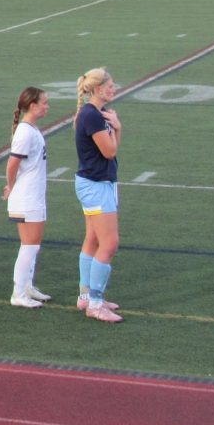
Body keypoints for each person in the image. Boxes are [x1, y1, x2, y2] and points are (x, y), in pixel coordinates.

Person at [75, 68, 124, 323]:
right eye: (110, 85)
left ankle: (86, 296)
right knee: (109, 243)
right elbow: (109, 152)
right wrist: (117, 128)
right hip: (96, 185)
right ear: (97, 89)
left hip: (94, 183)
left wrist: (115, 128)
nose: (113, 88)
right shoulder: (93, 116)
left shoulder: (93, 113)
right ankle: (94, 302)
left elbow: (110, 150)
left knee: (93, 239)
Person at [3, 87, 51, 308]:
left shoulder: (30, 129)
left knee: (32, 244)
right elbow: (12, 164)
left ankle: (27, 286)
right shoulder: (25, 132)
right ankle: (18, 293)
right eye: (44, 102)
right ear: (32, 106)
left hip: (32, 195)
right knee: (29, 245)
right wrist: (11, 186)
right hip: (26, 196)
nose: (47, 106)